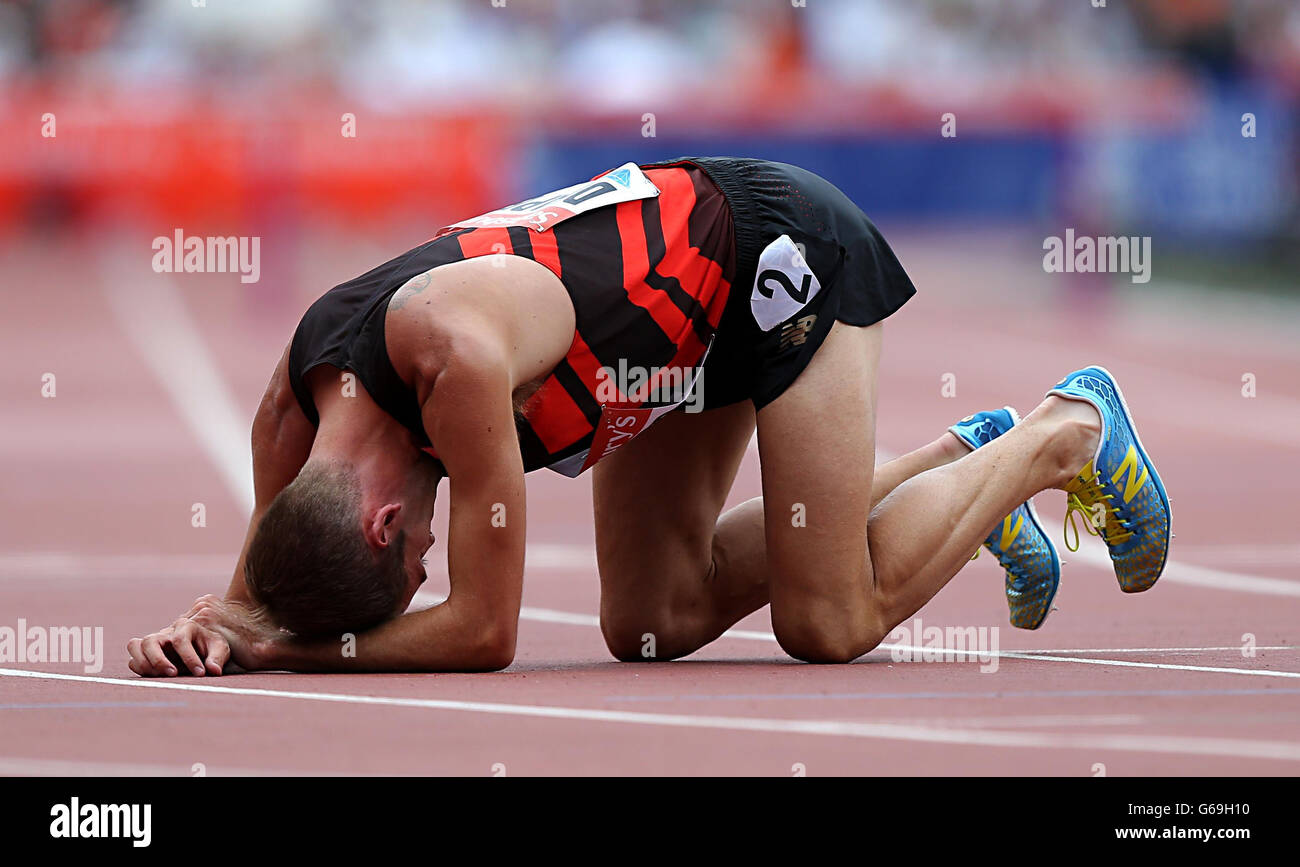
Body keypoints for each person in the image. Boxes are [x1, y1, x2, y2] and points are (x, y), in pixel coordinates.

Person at [126, 157, 1170, 676]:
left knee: (828, 621)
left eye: (414, 566)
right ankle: (964, 459)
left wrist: (299, 655)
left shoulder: (458, 371)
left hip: (774, 263)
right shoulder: (292, 404)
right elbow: (270, 573)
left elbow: (484, 633)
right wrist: (227, 623)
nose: (432, 556)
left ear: (381, 523)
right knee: (647, 626)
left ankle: (1060, 433)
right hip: (663, 354)